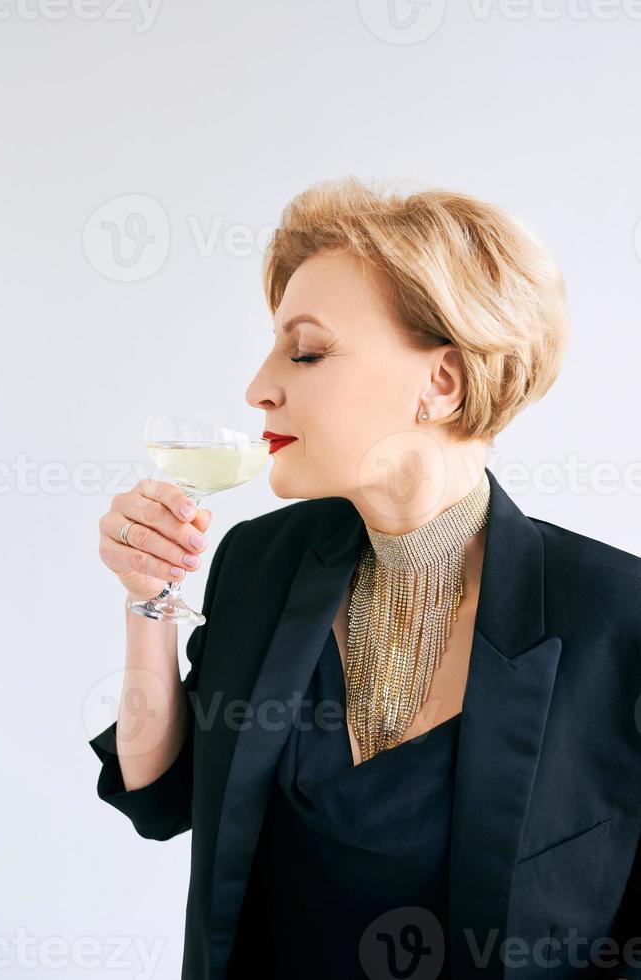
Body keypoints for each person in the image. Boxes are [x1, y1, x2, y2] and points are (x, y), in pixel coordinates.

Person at [90, 176, 641, 980]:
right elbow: (160, 795)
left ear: (441, 383)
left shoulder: (616, 617)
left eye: (306, 350)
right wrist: (147, 600)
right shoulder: (261, 562)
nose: (258, 388)